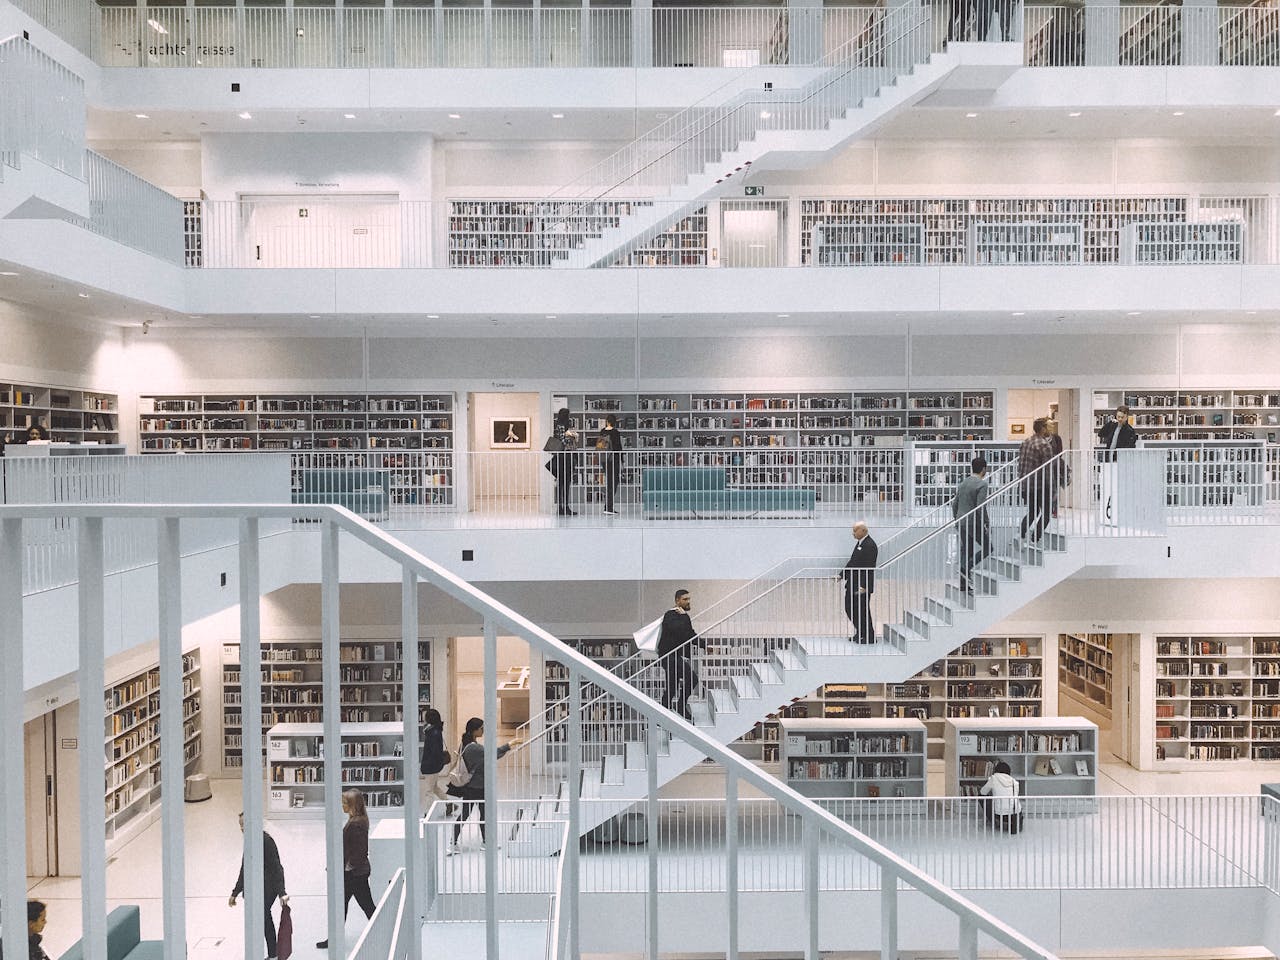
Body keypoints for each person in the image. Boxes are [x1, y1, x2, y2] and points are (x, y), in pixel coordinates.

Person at [315, 789, 376, 949]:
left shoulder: (356, 824)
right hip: (355, 873)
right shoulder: (358, 820)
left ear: (352, 805)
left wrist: (346, 868)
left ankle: (384, 931)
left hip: (353, 875)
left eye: (344, 803)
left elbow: (359, 851)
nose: (342, 806)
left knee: (364, 905)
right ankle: (334, 938)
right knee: (346, 905)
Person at [229, 812, 289, 960]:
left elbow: (276, 867)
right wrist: (235, 892)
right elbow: (245, 868)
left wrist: (282, 892)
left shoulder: (265, 841)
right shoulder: (250, 841)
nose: (242, 828)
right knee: (263, 918)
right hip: (256, 888)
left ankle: (273, 953)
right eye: (240, 825)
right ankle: (272, 953)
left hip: (267, 888)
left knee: (263, 917)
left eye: (244, 824)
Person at [450, 718, 512, 852]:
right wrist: (509, 745)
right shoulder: (474, 748)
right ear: (475, 730)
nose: (483, 731)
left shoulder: (467, 744)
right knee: (478, 815)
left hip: (473, 786)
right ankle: (481, 842)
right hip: (477, 787)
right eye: (481, 728)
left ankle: (478, 842)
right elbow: (492, 754)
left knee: (471, 814)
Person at [657, 589, 698, 721]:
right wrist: (685, 616)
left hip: (675, 656)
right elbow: (678, 630)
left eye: (689, 599)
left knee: (672, 687)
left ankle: (662, 717)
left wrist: (705, 645)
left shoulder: (682, 617)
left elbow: (690, 634)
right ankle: (680, 706)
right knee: (692, 679)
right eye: (685, 599)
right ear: (677, 601)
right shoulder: (670, 615)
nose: (688, 601)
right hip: (669, 656)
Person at [952, 456, 991, 595]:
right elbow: (980, 507)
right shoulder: (982, 484)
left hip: (961, 520)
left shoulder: (963, 482)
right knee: (988, 548)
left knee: (965, 550)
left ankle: (963, 584)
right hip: (973, 522)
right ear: (984, 469)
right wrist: (986, 523)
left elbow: (954, 503)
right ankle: (966, 567)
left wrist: (956, 519)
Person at [1017, 418, 1056, 545]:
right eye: (1049, 426)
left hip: (1026, 483)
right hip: (1040, 485)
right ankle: (1036, 538)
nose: (1051, 429)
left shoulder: (1026, 442)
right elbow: (1047, 469)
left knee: (1033, 511)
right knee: (1046, 512)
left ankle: (1021, 534)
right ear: (1043, 428)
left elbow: (1021, 464)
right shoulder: (1044, 445)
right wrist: (1052, 489)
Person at [842, 522, 878, 644]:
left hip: (861, 586)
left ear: (863, 530)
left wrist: (865, 586)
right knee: (850, 608)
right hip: (853, 583)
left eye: (855, 530)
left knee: (862, 611)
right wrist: (841, 575)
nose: (853, 533)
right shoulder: (860, 543)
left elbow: (869, 567)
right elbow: (852, 562)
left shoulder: (870, 545)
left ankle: (869, 636)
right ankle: (861, 632)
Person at [419, 707, 452, 814]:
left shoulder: (433, 733)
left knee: (429, 791)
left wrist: (428, 764)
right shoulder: (435, 731)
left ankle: (427, 813)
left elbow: (434, 752)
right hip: (433, 765)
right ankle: (449, 804)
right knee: (434, 787)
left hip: (430, 766)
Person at [548, 408, 579, 516]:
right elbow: (563, 441)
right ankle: (564, 507)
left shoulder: (558, 425)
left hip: (562, 457)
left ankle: (562, 507)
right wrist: (572, 436)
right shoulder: (561, 426)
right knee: (565, 483)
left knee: (562, 483)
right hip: (564, 457)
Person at [979, 760, 1023, 833]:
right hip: (1015, 813)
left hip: (1000, 814)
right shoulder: (1014, 782)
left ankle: (992, 820)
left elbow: (982, 792)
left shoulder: (993, 778)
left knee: (981, 798)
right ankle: (1016, 823)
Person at [598, 413, 623, 516]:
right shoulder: (615, 432)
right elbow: (618, 447)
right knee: (614, 482)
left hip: (605, 460)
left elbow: (600, 446)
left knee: (609, 482)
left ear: (607, 421)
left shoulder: (602, 431)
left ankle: (607, 506)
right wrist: (622, 461)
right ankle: (609, 507)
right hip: (614, 460)